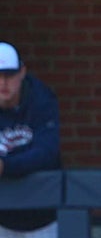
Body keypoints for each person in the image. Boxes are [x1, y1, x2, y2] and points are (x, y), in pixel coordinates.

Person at [0, 41, 61, 238]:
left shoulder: (41, 99)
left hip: (44, 216)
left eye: (8, 76)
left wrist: (5, 166)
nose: (2, 84)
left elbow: (47, 153)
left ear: (22, 72)